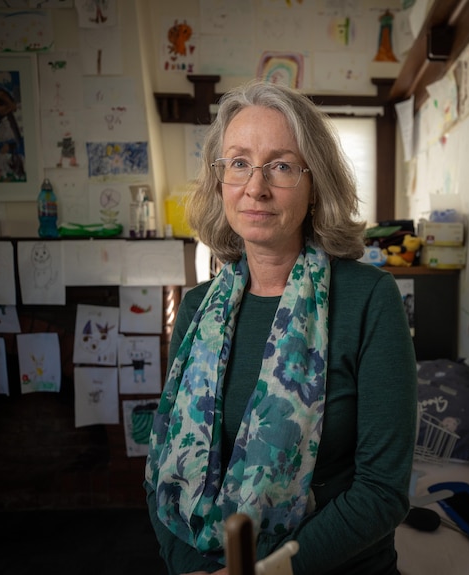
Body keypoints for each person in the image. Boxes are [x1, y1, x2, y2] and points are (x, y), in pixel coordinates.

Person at [145, 79, 418, 575]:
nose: (256, 186)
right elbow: (165, 467)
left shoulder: (369, 299)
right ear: (220, 180)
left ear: (316, 185)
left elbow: (382, 491)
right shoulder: (196, 310)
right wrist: (189, 567)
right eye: (239, 163)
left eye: (282, 165)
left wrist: (266, 571)